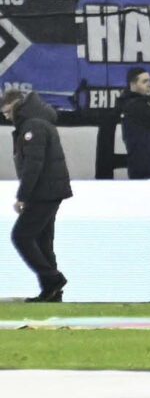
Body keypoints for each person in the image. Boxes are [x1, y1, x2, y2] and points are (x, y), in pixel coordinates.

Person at [3, 84, 69, 302]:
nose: (6, 118)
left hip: (43, 191)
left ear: (14, 107)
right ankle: (51, 292)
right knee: (42, 241)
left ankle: (53, 279)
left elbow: (33, 165)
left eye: (5, 113)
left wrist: (23, 196)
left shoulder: (32, 126)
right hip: (50, 190)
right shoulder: (39, 122)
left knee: (21, 236)